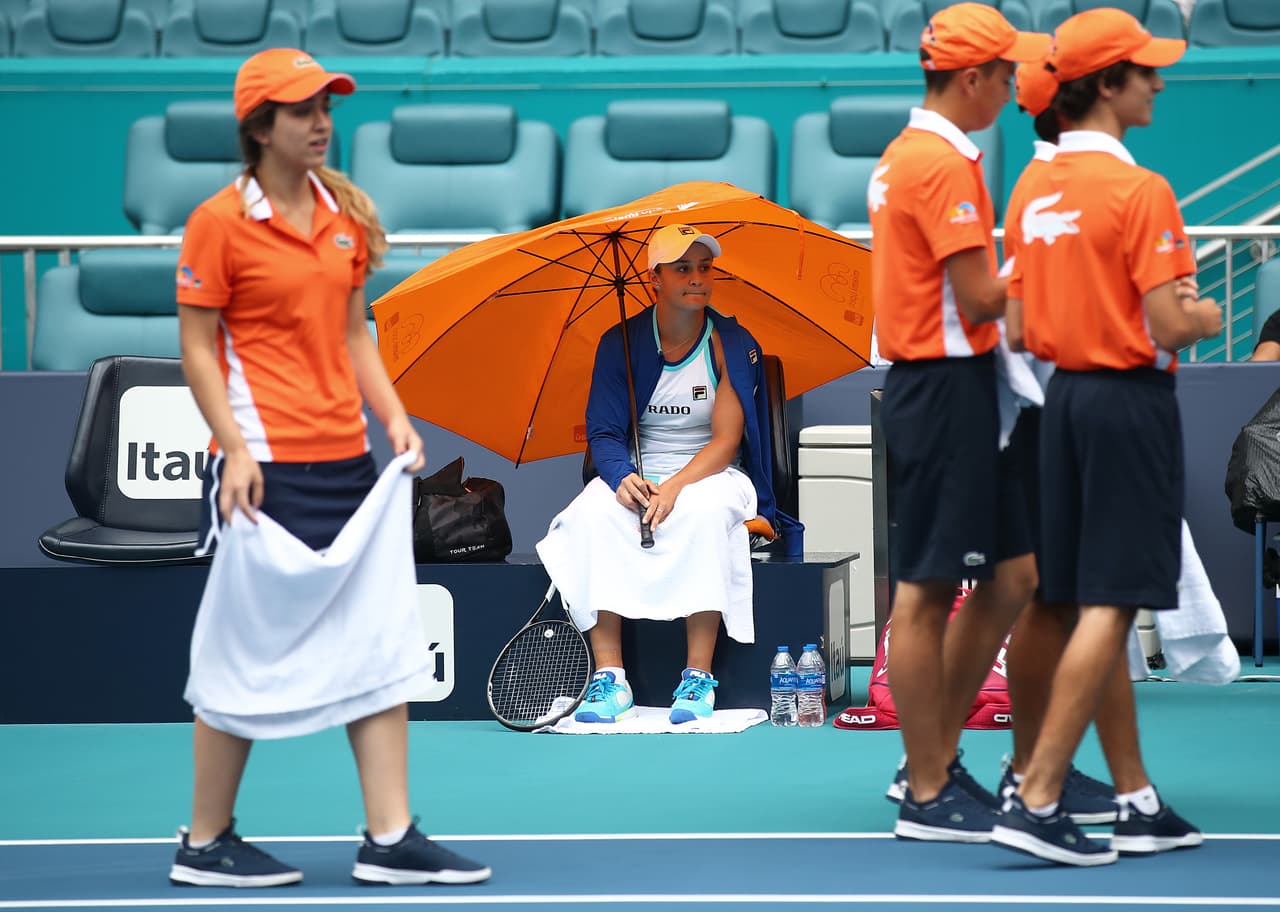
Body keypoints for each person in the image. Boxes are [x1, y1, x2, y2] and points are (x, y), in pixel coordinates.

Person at [169, 48, 490, 888]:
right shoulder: (217, 223)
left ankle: (389, 836)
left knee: (378, 641)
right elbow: (198, 349)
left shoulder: (341, 216)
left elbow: (354, 336)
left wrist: (393, 418)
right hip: (263, 469)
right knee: (241, 651)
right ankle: (205, 842)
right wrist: (233, 447)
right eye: (303, 110)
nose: (322, 123)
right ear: (259, 127)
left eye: (327, 108)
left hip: (348, 463)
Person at [992, 10, 1220, 865]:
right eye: (1145, 71)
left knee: (1079, 602)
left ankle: (1134, 799)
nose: (1158, 82)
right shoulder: (1141, 191)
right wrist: (1204, 313)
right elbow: (1170, 318)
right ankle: (1041, 791)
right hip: (1126, 406)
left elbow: (1014, 325)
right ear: (1109, 85)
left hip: (1063, 409)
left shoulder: (1030, 188)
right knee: (1113, 602)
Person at [867, 2, 1049, 843]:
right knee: (927, 590)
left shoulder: (918, 155)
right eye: (1007, 77)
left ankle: (931, 757)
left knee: (1012, 578)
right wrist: (1059, 267)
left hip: (959, 388)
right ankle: (928, 781)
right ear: (972, 78)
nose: (1014, 91)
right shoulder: (940, 164)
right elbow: (980, 297)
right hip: (943, 391)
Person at [536, 224, 781, 725]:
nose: (697, 279)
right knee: (592, 514)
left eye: (705, 268)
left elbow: (726, 442)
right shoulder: (618, 343)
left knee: (702, 513)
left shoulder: (731, 343)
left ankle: (697, 677)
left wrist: (673, 488)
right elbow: (604, 434)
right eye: (683, 269)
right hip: (638, 471)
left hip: (713, 472)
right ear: (656, 279)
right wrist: (623, 477)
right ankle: (611, 678)